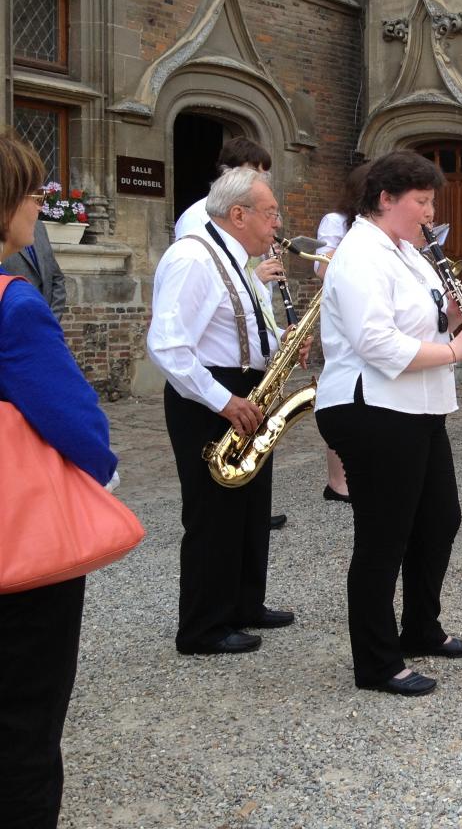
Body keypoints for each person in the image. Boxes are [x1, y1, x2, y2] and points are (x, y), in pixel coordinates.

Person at [314, 150, 462, 696]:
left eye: (431, 200)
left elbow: (423, 321)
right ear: (386, 199)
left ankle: (420, 628)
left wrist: (455, 318)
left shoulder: (407, 252)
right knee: (382, 538)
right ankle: (377, 661)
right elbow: (375, 341)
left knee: (439, 520)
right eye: (422, 200)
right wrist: (457, 350)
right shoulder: (360, 253)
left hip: (417, 404)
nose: (430, 211)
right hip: (372, 408)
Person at [0, 130, 118, 829]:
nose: (42, 203)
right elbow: (80, 425)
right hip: (19, 551)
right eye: (34, 190)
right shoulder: (13, 306)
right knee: (24, 723)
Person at [147, 165, 294, 655]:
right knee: (214, 514)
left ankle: (244, 604)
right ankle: (203, 627)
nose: (278, 224)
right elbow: (169, 346)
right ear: (238, 214)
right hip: (209, 396)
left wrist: (282, 347)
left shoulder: (237, 259)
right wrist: (224, 400)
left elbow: (244, 329)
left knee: (251, 508)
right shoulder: (192, 258)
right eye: (271, 213)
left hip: (246, 389)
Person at [312, 162, 369, 505]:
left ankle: (358, 470)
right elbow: (321, 267)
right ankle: (337, 481)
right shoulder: (336, 222)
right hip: (341, 310)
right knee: (340, 388)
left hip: (368, 308)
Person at [172, 136, 274, 239]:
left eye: (264, 175)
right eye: (254, 171)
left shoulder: (252, 212)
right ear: (229, 171)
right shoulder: (197, 216)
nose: (261, 180)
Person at [1, 219, 65, 320]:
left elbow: (57, 278)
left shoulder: (39, 227)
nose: (40, 207)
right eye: (36, 202)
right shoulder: (3, 230)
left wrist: (51, 320)